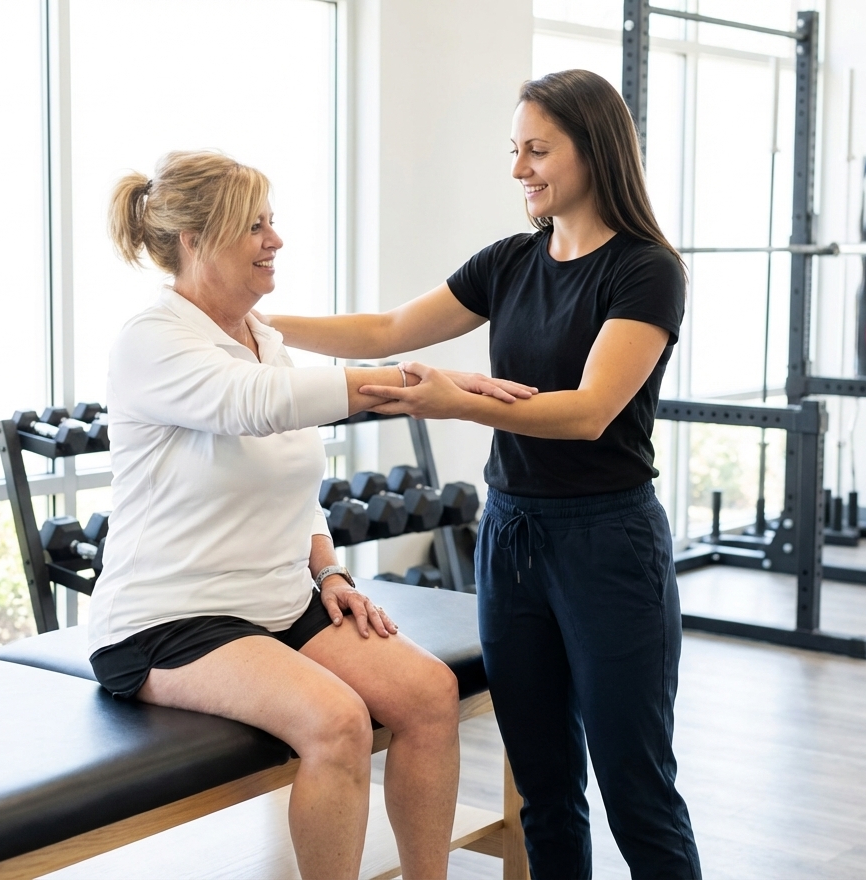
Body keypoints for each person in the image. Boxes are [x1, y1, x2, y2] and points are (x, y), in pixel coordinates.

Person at [265, 70, 702, 878]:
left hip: (608, 542)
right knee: (542, 788)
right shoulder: (511, 263)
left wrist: (454, 403)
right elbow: (388, 327)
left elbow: (589, 411)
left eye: (538, 150)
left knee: (636, 788)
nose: (519, 169)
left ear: (594, 150)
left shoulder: (645, 270)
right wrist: (246, 320)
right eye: (516, 150)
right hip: (511, 538)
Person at [87, 150, 531, 879]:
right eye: (253, 226)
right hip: (168, 619)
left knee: (427, 694)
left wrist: (328, 571)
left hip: (279, 601)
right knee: (337, 721)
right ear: (196, 240)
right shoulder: (154, 339)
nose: (275, 241)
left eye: (273, 222)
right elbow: (256, 407)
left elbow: (294, 481)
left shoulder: (264, 340)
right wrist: (420, 382)